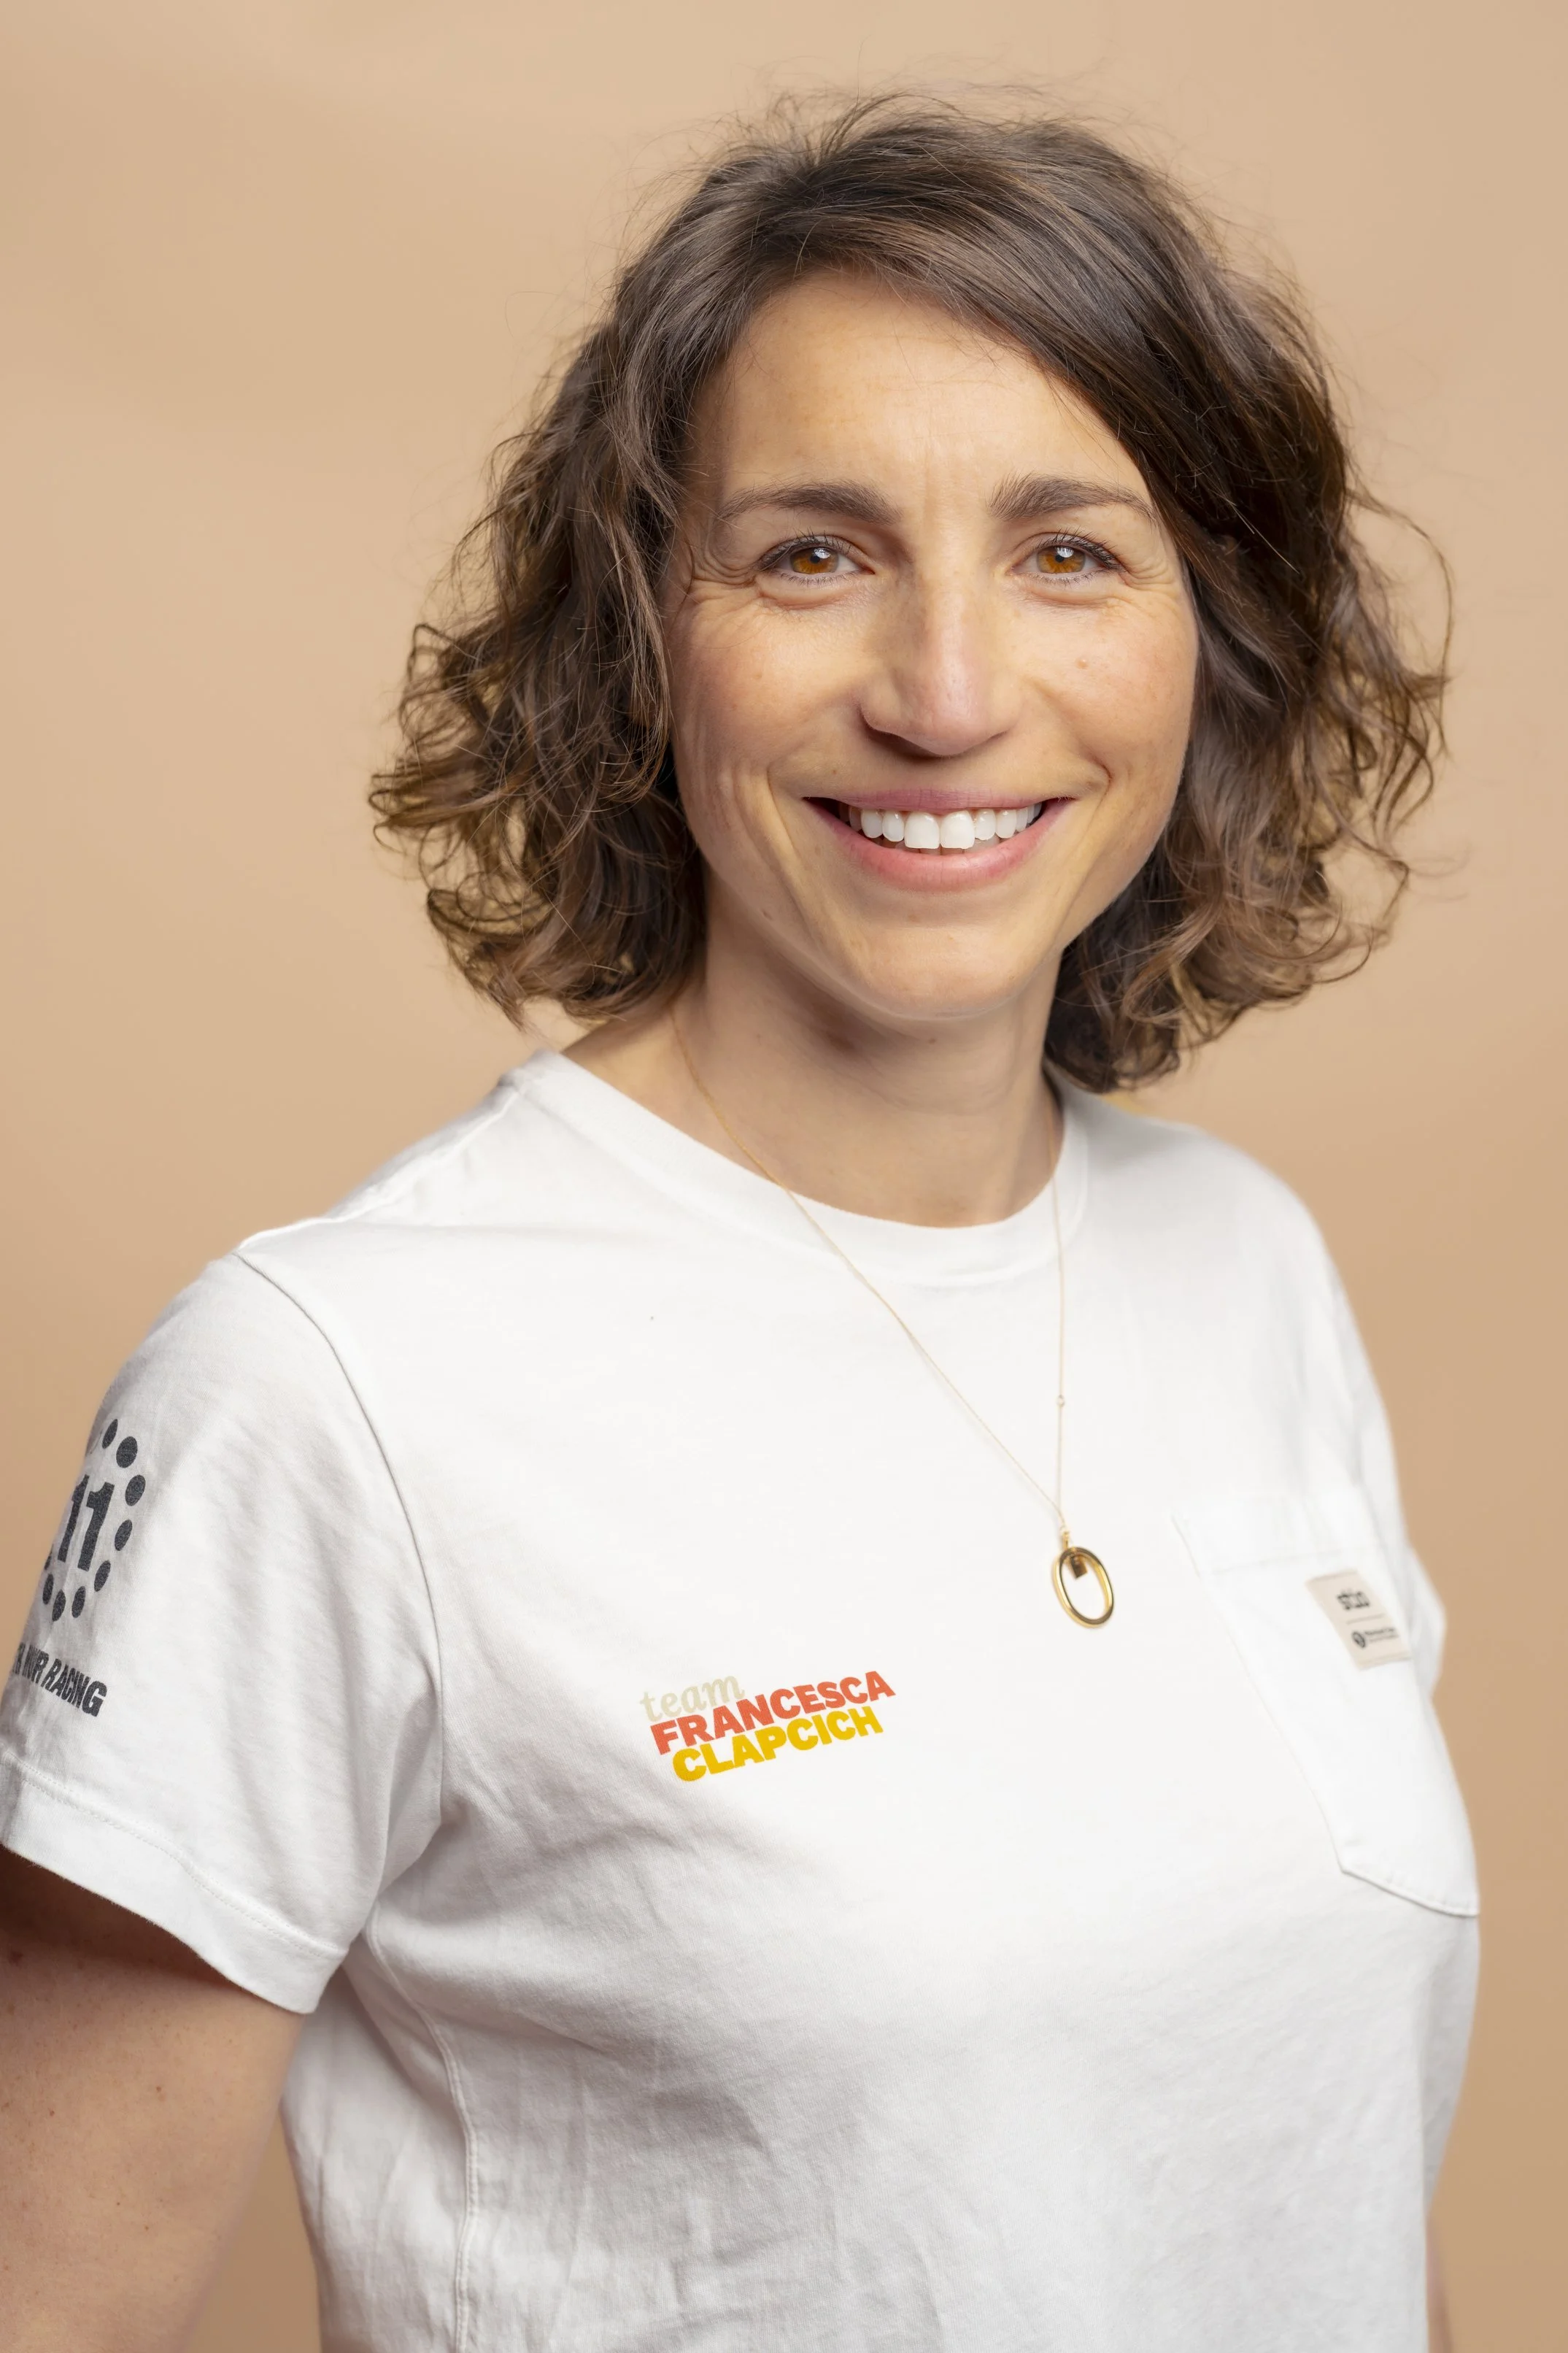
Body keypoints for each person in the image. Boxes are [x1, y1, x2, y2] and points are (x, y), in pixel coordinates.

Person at [0, 96, 1475, 2353]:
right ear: (641, 638)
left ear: (1213, 637)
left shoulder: (1243, 1266)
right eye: (812, 554)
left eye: (1070, 552)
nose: (949, 690)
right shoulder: (333, 1391)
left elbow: (1314, 2184)